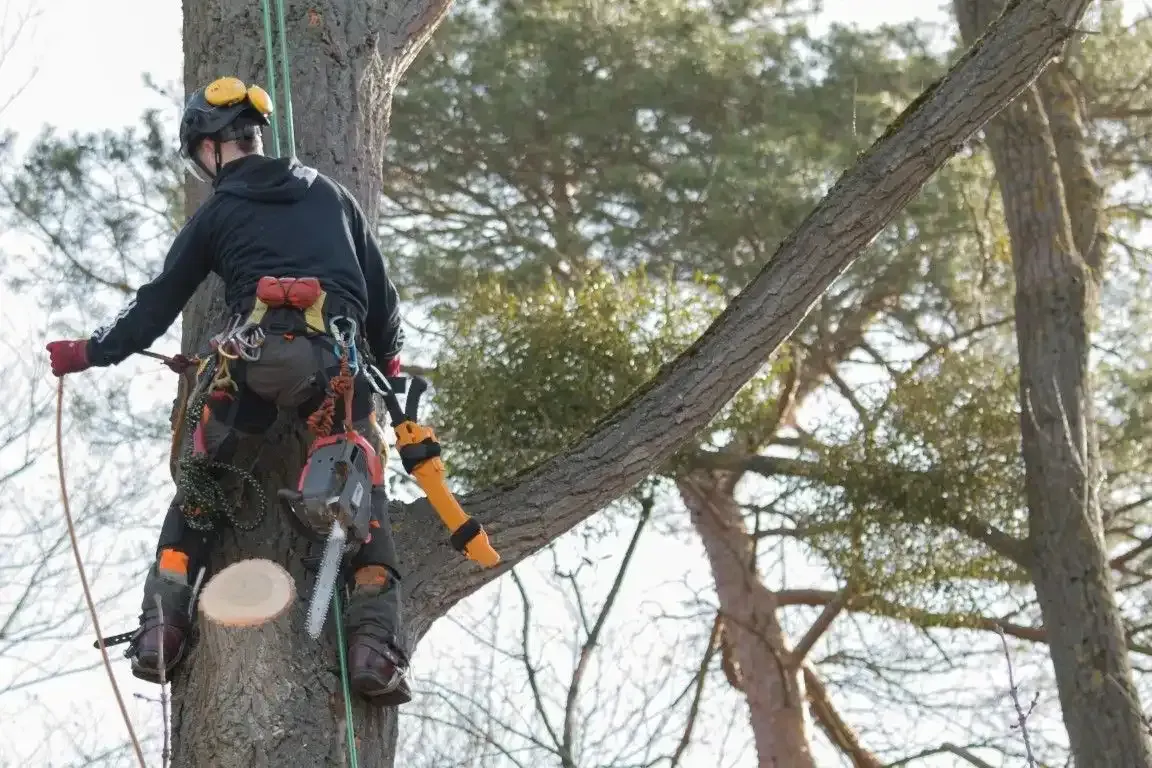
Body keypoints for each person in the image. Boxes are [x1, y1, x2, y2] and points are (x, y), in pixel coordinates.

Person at [45, 76, 412, 705]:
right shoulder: (335, 197)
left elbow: (155, 305)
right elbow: (383, 301)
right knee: (361, 494)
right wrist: (394, 368)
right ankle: (373, 647)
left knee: (201, 484)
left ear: (211, 147)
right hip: (340, 367)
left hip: (252, 363)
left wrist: (88, 352)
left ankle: (164, 628)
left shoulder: (219, 211)